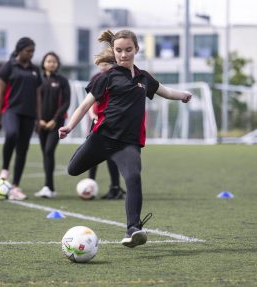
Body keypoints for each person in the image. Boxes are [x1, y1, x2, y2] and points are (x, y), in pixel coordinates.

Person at [59, 29, 192, 248]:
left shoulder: (144, 78)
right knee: (73, 169)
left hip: (128, 144)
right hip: (102, 137)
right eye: (119, 50)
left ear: (136, 49)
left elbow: (165, 91)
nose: (123, 55)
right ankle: (93, 152)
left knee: (133, 178)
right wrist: (69, 127)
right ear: (114, 51)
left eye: (128, 50)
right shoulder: (107, 77)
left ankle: (133, 228)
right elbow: (85, 105)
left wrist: (182, 96)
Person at [0, 37, 42, 201]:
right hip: (11, 110)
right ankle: (5, 170)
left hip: (29, 114)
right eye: (28, 51)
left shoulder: (35, 70)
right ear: (19, 50)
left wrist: (39, 118)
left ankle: (15, 186)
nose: (31, 54)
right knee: (12, 134)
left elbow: (38, 96)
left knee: (23, 149)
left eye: (33, 51)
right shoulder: (8, 66)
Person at [87, 48, 126, 200]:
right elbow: (91, 102)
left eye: (105, 63)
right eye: (100, 63)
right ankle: (90, 186)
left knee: (112, 155)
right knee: (90, 154)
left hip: (112, 124)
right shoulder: (97, 78)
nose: (102, 66)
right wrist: (93, 116)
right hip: (98, 121)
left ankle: (115, 188)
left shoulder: (121, 78)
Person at [34, 52, 71, 198]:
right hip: (40, 123)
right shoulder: (38, 80)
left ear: (58, 64)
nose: (51, 64)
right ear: (44, 63)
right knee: (45, 154)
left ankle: (48, 187)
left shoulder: (62, 81)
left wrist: (54, 120)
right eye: (48, 61)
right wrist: (39, 120)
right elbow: (33, 100)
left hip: (56, 123)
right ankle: (49, 187)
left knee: (49, 151)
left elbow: (66, 102)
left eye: (54, 61)